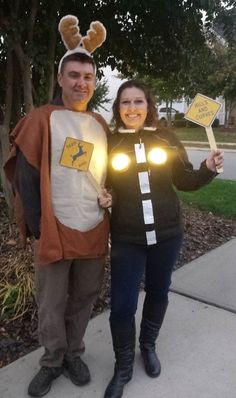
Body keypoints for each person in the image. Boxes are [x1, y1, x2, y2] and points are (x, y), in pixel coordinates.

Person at [4, 15, 109, 397]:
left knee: (83, 297)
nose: (81, 83)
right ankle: (52, 360)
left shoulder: (100, 123)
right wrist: (36, 226)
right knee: (51, 301)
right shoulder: (41, 118)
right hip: (54, 227)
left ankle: (74, 353)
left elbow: (105, 173)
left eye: (88, 77)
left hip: (94, 226)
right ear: (61, 79)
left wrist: (108, 196)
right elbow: (25, 177)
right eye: (75, 75)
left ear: (93, 83)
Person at [99, 80, 224, 398]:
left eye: (138, 102)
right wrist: (104, 196)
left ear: (148, 105)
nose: (131, 108)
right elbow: (101, 183)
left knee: (158, 292)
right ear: (118, 108)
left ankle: (148, 345)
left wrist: (207, 168)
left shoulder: (167, 138)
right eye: (125, 102)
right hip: (127, 237)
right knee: (122, 307)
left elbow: (184, 180)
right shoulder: (110, 143)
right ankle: (124, 366)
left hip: (167, 234)